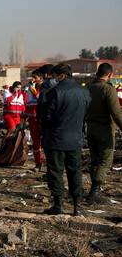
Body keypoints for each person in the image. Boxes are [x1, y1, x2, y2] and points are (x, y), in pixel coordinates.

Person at [39, 64, 90, 216]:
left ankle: (58, 204)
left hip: (56, 139)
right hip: (75, 139)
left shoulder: (55, 92)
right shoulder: (84, 91)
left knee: (55, 171)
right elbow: (86, 114)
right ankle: (77, 206)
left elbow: (46, 117)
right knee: (75, 171)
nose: (53, 79)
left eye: (54, 76)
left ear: (61, 75)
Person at [85, 63, 122, 204]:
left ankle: (94, 190)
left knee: (95, 160)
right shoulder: (108, 89)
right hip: (104, 130)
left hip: (91, 128)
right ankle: (95, 192)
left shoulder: (88, 88)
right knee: (106, 160)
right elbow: (116, 113)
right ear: (110, 75)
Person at [24, 69, 45, 170]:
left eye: (35, 77)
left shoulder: (45, 87)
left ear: (40, 78)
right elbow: (28, 103)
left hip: (42, 117)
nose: (33, 79)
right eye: (32, 77)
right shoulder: (30, 88)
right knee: (35, 141)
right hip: (32, 118)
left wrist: (32, 89)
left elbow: (39, 97)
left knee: (46, 141)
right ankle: (38, 163)